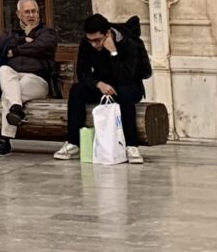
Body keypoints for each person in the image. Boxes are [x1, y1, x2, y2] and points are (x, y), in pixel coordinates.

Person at [57, 12, 150, 163]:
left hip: (129, 85)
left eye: (97, 40)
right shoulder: (87, 43)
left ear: (108, 34)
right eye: (90, 40)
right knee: (77, 90)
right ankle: (73, 143)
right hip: (102, 85)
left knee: (124, 92)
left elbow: (126, 77)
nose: (94, 44)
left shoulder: (128, 43)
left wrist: (113, 52)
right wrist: (98, 84)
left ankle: (131, 146)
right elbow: (82, 72)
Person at [0, 0, 59, 157]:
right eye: (27, 12)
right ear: (19, 14)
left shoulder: (47, 32)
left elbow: (41, 47)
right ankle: (17, 109)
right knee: (4, 70)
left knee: (8, 95)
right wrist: (24, 39)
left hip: (37, 81)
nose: (31, 15)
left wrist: (17, 49)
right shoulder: (10, 33)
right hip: (13, 78)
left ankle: (5, 140)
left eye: (34, 11)